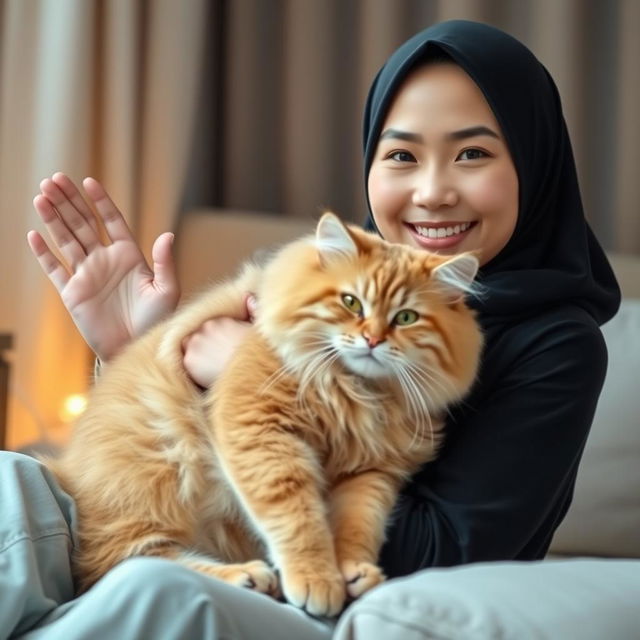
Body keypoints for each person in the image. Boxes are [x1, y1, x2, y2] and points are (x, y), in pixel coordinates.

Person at [2, 19, 620, 639]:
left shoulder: (557, 344)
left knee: (156, 592)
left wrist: (256, 380)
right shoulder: (336, 276)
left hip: (316, 597)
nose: (432, 193)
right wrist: (140, 349)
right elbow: (155, 474)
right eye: (402, 155)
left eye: (473, 154)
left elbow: (437, 554)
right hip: (180, 536)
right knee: (13, 482)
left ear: (534, 163)